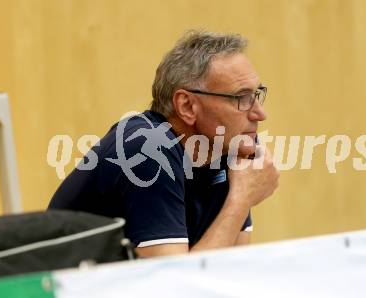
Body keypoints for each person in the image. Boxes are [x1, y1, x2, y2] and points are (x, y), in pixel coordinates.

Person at [48, 30, 279, 257]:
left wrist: (239, 198)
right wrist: (240, 199)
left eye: (256, 95)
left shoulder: (228, 147)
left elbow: (232, 271)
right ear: (187, 106)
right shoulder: (145, 149)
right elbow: (173, 284)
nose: (260, 113)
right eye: (241, 98)